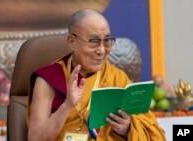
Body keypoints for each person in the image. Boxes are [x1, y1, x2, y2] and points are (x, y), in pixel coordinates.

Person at [27, 8, 166, 141]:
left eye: (106, 41)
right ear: (72, 42)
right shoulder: (49, 79)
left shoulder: (117, 78)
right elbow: (35, 138)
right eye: (94, 41)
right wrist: (67, 105)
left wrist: (128, 128)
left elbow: (150, 129)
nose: (101, 50)